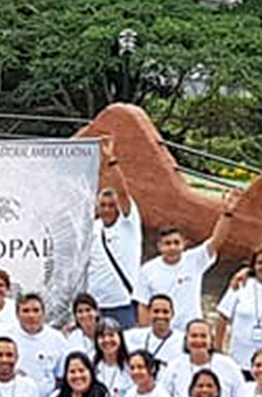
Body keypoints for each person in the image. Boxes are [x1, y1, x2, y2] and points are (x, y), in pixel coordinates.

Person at [136, 190, 239, 326]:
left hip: (191, 330)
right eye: (167, 244)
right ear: (159, 246)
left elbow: (216, 241)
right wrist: (146, 333)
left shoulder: (194, 259)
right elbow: (143, 305)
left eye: (176, 243)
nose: (172, 247)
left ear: (184, 244)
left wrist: (227, 214)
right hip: (163, 330)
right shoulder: (147, 270)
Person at [86, 137, 142, 329]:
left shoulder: (128, 224)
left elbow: (123, 193)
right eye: (103, 205)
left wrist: (111, 160)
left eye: (111, 205)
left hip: (123, 303)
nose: (107, 209)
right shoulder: (93, 228)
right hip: (95, 305)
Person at [217, 244, 262, 367]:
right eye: (260, 263)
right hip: (237, 361)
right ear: (253, 266)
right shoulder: (241, 284)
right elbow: (223, 317)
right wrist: (218, 351)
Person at [162, 321, 244, 397]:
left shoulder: (229, 366)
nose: (198, 340)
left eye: (203, 336)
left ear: (211, 341)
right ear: (186, 340)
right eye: (194, 336)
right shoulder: (174, 367)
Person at [8, 293, 69, 397]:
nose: (31, 316)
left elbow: (62, 375)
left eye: (36, 310)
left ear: (43, 313)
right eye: (26, 311)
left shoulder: (57, 339)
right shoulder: (7, 337)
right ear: (17, 314)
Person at [125, 294, 185, 367]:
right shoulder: (134, 335)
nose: (160, 316)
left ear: (172, 314)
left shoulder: (183, 340)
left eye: (165, 312)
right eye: (156, 311)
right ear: (149, 313)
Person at [91, 320, 133, 397]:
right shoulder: (92, 366)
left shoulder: (131, 366)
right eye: (102, 336)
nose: (107, 340)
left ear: (120, 337)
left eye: (111, 335)